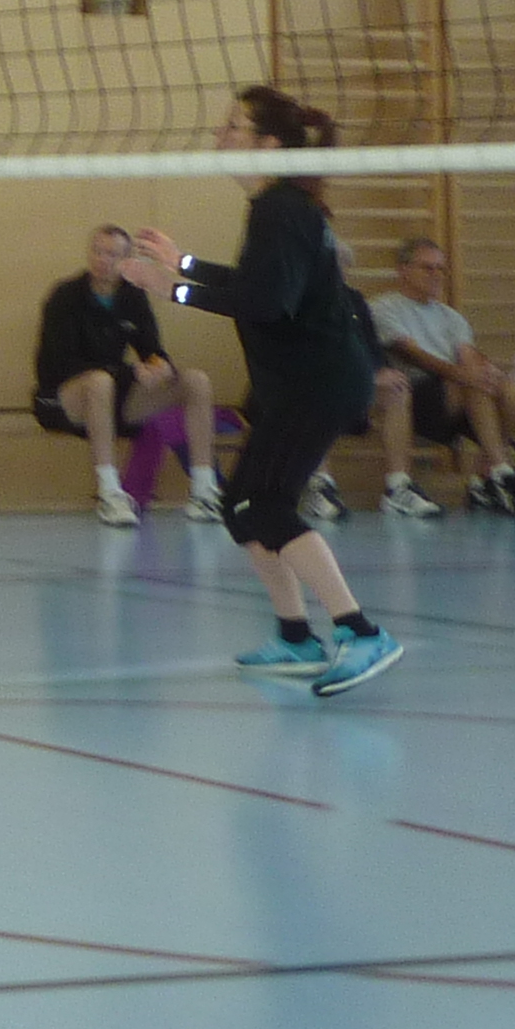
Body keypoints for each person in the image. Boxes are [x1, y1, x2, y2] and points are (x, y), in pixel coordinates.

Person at [131, 87, 405, 697]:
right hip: (302, 383)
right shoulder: (279, 208)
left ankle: (361, 632)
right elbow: (261, 283)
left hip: (318, 381)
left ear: (269, 144)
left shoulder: (281, 209)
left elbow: (266, 303)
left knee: (267, 506)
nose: (220, 135)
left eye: (234, 126)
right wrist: (183, 263)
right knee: (241, 506)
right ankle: (295, 636)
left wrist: (171, 288)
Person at [30, 223, 220, 526]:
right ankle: (110, 494)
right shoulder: (65, 297)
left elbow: (153, 350)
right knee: (99, 382)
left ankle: (204, 491)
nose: (102, 260)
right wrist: (129, 371)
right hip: (62, 398)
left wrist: (159, 368)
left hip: (114, 395)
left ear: (126, 261)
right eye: (97, 251)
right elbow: (56, 365)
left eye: (112, 255)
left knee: (195, 381)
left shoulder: (132, 297)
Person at [370, 237, 515, 514]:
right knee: (471, 384)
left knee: (512, 390)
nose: (436, 275)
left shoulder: (451, 317)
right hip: (414, 393)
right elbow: (410, 353)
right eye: (427, 268)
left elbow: (467, 354)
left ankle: (485, 477)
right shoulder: (384, 307)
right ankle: (502, 471)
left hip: (456, 393)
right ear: (404, 270)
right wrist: (462, 374)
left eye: (440, 269)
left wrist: (486, 371)